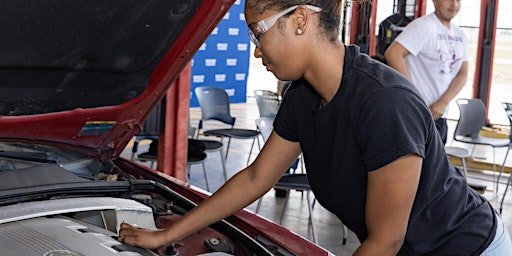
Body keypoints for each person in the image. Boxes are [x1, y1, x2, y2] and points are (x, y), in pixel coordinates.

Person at [119, 0, 512, 254]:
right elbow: (257, 176)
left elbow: (386, 240)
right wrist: (166, 234)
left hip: (468, 247)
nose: (256, 50)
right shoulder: (303, 98)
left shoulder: (384, 103)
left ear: (301, 20)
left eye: (258, 32)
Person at [384, 0, 469, 144]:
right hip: (417, 116)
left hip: (440, 116)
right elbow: (393, 54)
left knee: (435, 166)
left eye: (458, 0)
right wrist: (414, 96)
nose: (454, 4)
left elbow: (463, 74)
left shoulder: (460, 35)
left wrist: (443, 101)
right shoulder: (423, 26)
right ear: (435, 1)